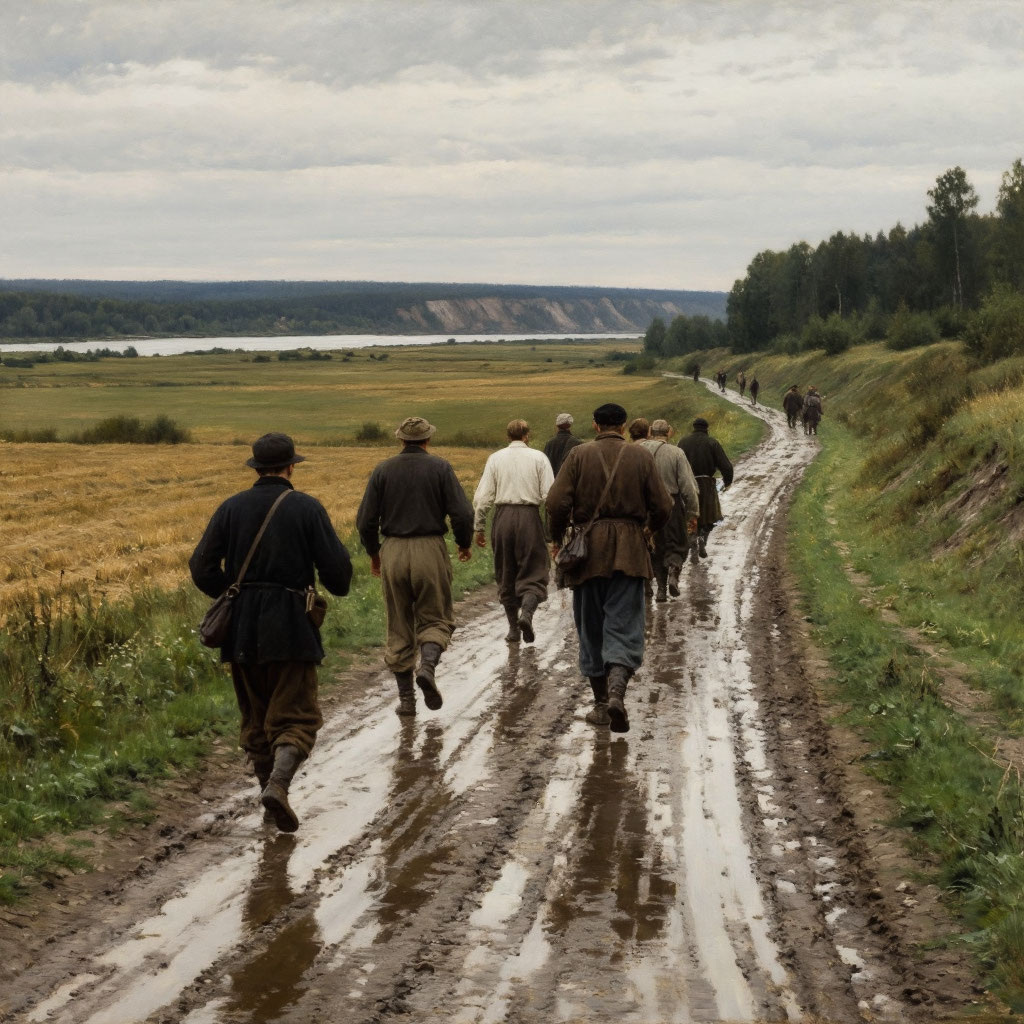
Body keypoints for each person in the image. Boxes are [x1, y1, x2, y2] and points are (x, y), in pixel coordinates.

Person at [190, 432, 353, 833]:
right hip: (291, 626)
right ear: (292, 466)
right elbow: (339, 574)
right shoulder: (306, 508)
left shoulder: (230, 508)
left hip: (241, 630)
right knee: (296, 716)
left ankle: (269, 799)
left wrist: (236, 596)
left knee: (256, 718)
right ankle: (278, 786)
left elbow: (201, 567)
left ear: (256, 467)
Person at [546, 403, 672, 733]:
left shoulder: (578, 455)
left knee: (590, 628)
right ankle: (618, 692)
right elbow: (663, 505)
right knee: (625, 625)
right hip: (630, 551)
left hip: (586, 553)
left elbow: (555, 502)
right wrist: (648, 529)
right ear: (624, 424)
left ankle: (602, 705)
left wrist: (557, 537)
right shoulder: (641, 457)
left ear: (595, 424)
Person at [356, 416, 474, 717]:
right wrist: (463, 543)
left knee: (399, 624)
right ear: (428, 440)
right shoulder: (440, 468)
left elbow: (366, 520)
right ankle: (428, 669)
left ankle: (407, 701)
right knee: (435, 618)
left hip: (393, 549)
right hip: (430, 549)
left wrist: (374, 554)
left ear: (400, 440)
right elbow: (461, 513)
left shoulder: (382, 470)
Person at [473, 419, 554, 644]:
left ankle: (512, 629)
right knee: (534, 568)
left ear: (508, 436)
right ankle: (527, 614)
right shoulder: (539, 458)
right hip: (529, 516)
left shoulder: (495, 458)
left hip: (503, 518)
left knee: (506, 570)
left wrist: (478, 526)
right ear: (527, 435)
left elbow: (483, 497)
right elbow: (549, 496)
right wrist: (553, 529)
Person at [640, 420, 699, 601]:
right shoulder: (676, 453)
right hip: (671, 506)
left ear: (650, 431)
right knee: (675, 544)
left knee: (652, 548)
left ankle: (658, 589)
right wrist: (693, 512)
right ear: (669, 432)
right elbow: (688, 486)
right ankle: (673, 571)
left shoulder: (638, 450)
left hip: (645, 506)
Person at [679, 417, 733, 562]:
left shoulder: (683, 442)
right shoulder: (712, 442)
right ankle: (703, 537)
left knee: (690, 515)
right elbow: (726, 466)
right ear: (706, 428)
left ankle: (693, 541)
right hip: (706, 484)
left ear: (694, 427)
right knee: (710, 516)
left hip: (687, 484)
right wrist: (727, 482)